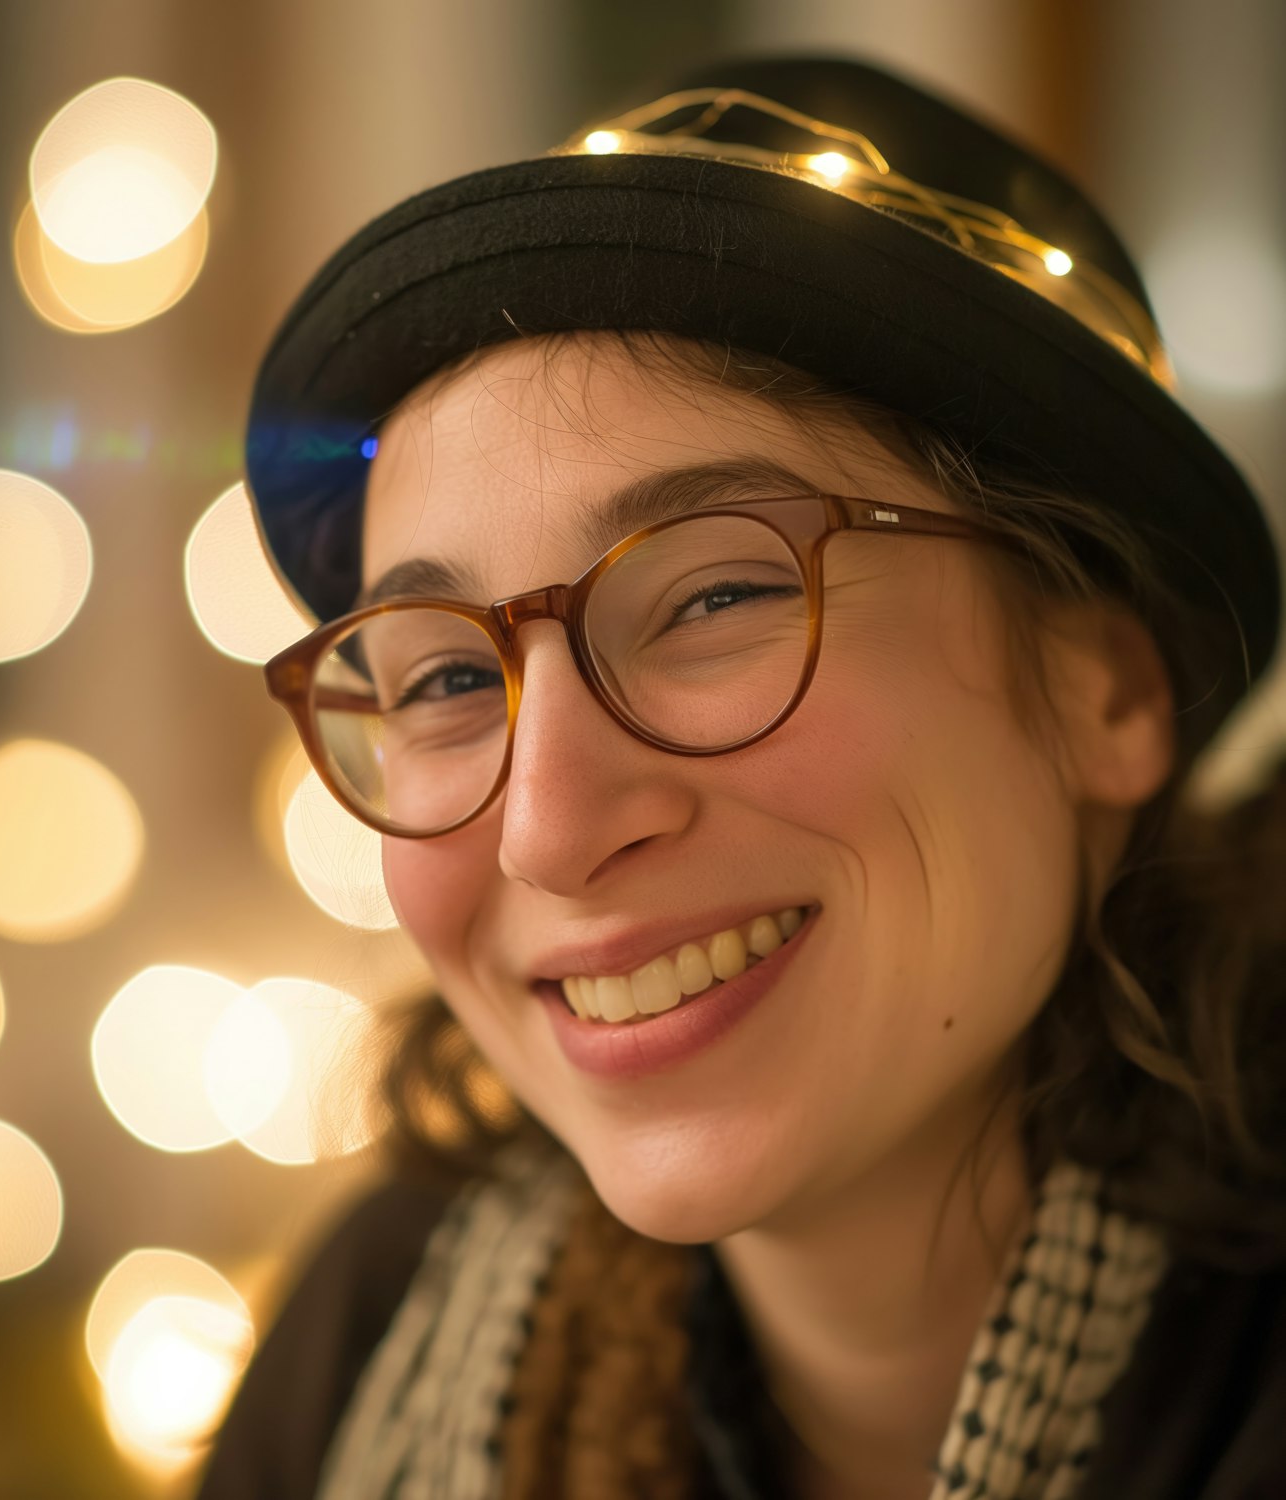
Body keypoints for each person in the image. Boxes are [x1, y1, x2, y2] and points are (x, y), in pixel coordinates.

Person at [196, 57, 1286, 1500]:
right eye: (452, 679)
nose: (549, 828)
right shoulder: (380, 1329)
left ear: (1107, 690)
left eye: (715, 597)